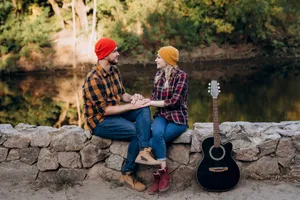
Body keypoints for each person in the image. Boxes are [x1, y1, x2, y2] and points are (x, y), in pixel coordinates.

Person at [82, 38, 160, 192]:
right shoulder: (93, 79)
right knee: (139, 131)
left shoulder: (114, 71)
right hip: (100, 121)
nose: (118, 54)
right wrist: (131, 106)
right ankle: (127, 173)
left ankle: (144, 151)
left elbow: (122, 94)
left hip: (115, 113)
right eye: (115, 51)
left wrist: (134, 98)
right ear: (104, 55)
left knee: (144, 106)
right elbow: (104, 110)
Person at [135, 46, 188, 194]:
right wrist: (146, 100)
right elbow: (155, 98)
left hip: (178, 118)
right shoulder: (159, 74)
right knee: (156, 134)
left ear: (167, 59)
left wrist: (152, 103)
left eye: (158, 57)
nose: (155, 59)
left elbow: (174, 102)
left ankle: (158, 177)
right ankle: (164, 173)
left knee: (155, 140)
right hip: (162, 116)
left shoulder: (181, 76)